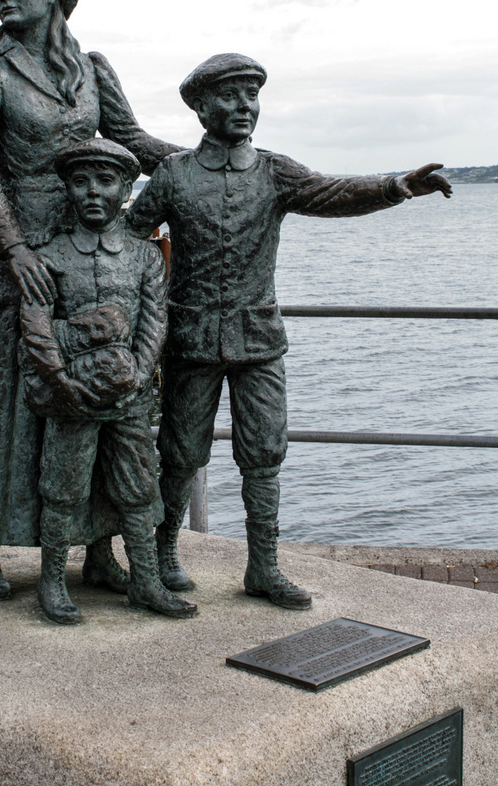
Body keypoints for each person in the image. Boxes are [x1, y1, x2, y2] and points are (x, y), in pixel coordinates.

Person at [126, 52, 452, 610]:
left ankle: (264, 567)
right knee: (179, 454)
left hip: (258, 343)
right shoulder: (174, 174)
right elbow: (129, 238)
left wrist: (398, 185)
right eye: (229, 95)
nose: (244, 106)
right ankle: (163, 555)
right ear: (201, 106)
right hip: (191, 339)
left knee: (264, 455)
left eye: (251, 95)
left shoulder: (274, 172)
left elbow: (332, 193)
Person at [0, 0, 181, 599]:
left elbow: (130, 141)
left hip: (93, 247)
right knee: (3, 406)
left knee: (99, 396)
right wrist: (13, 249)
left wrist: (196, 162)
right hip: (20, 255)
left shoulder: (94, 70)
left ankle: (99, 550)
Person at [19, 138, 197, 623]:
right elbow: (35, 324)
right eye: (80, 182)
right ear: (68, 191)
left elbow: (154, 321)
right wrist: (59, 380)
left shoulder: (144, 257)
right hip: (70, 398)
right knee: (63, 488)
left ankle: (146, 581)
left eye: (105, 181)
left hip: (130, 398)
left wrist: (140, 373)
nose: (92, 192)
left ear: (125, 190)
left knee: (138, 486)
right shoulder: (48, 256)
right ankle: (51, 581)